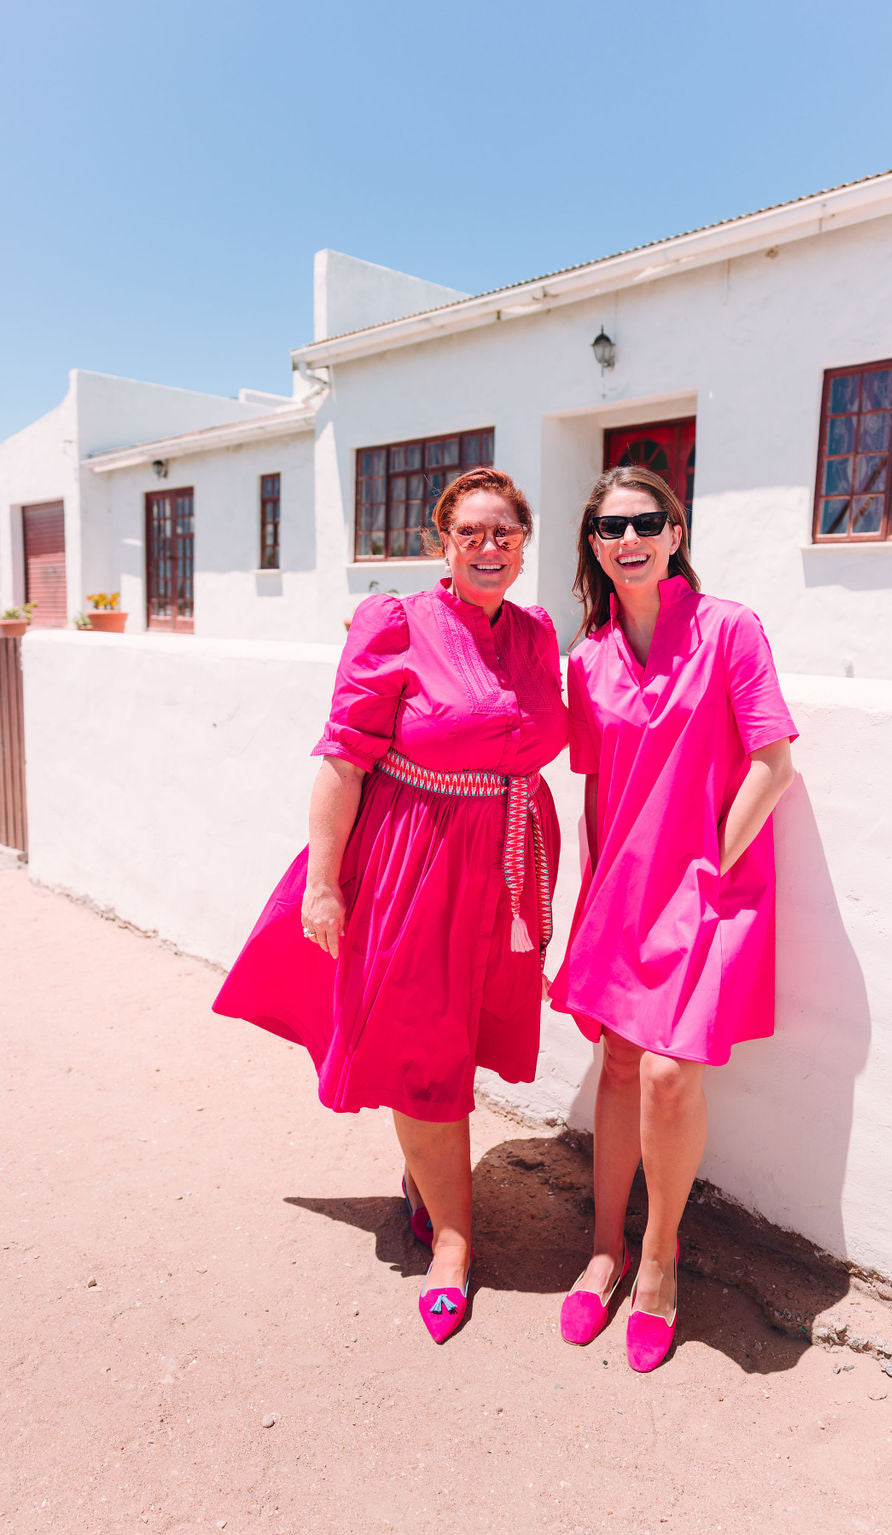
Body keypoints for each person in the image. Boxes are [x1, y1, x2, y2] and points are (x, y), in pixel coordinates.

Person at [213, 468, 567, 1342]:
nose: (490, 547)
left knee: (464, 1030)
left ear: (524, 546)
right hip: (415, 859)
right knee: (419, 1039)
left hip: (507, 856)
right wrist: (326, 883)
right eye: (472, 532)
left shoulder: (536, 631)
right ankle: (453, 1241)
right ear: (442, 542)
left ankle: (426, 1180)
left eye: (506, 534)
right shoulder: (394, 621)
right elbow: (342, 757)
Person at [548, 465, 796, 1373]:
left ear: (676, 529)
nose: (630, 540)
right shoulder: (588, 658)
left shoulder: (730, 628)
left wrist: (707, 864)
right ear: (594, 546)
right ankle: (605, 1246)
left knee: (664, 1074)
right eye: (610, 529)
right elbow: (592, 787)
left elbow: (773, 762)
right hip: (620, 890)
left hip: (706, 889)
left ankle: (659, 1257)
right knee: (617, 1062)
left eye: (647, 522)